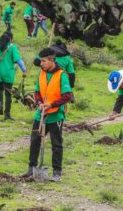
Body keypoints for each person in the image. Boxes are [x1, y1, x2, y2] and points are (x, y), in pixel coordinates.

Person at [23, 48, 73, 182]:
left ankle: (57, 171)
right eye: (41, 61)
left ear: (52, 60)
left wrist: (52, 105)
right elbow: (37, 91)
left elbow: (67, 96)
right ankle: (31, 168)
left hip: (55, 114)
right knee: (34, 140)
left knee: (56, 143)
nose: (41, 64)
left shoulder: (62, 75)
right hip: (40, 113)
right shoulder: (41, 73)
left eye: (44, 61)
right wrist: (39, 102)